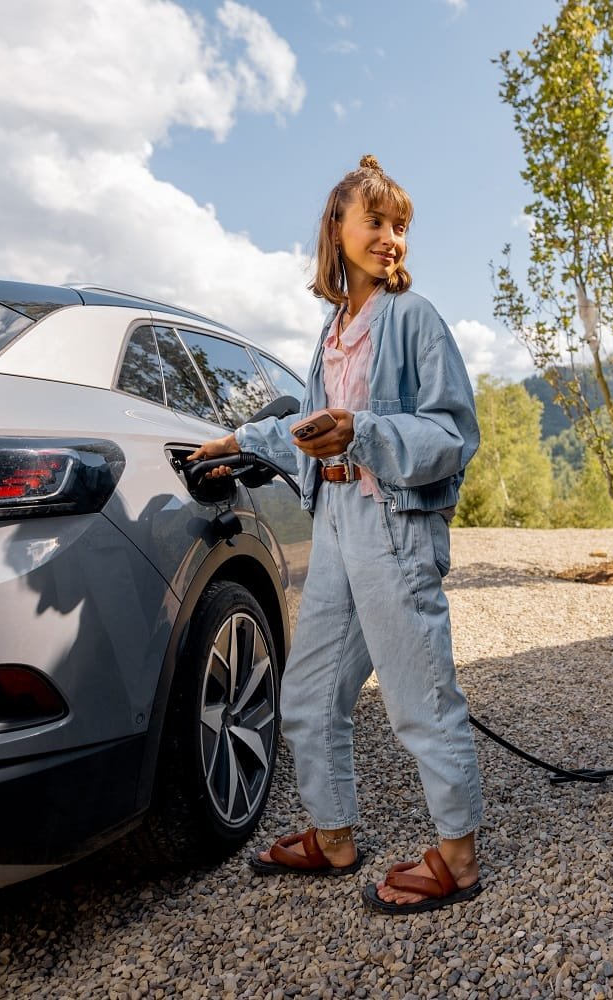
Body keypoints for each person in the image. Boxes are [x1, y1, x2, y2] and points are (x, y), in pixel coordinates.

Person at [187, 155, 483, 915]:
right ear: (337, 229)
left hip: (393, 524)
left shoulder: (412, 319)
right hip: (338, 524)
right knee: (310, 693)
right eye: (376, 223)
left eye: (400, 227)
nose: (392, 239)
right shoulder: (333, 330)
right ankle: (333, 835)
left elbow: (452, 433)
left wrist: (365, 430)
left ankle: (457, 855)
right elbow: (309, 430)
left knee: (419, 693)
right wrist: (242, 442)